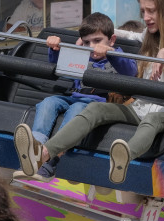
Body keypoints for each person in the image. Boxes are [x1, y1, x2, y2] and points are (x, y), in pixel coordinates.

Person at [14, 0, 164, 185]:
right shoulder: (152, 34)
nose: (146, 18)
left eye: (151, 11)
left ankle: (124, 156)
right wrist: (86, 35)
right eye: (143, 11)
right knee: (95, 110)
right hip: (143, 103)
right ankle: (43, 154)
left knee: (151, 121)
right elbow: (131, 34)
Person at [22, 12, 137, 180]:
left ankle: (50, 160)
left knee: (76, 109)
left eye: (97, 41)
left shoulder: (118, 55)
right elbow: (60, 67)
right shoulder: (82, 54)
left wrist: (110, 52)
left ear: (111, 40)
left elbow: (130, 71)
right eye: (87, 42)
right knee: (49, 102)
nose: (92, 46)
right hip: (75, 96)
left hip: (96, 102)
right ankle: (35, 146)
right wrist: (54, 49)